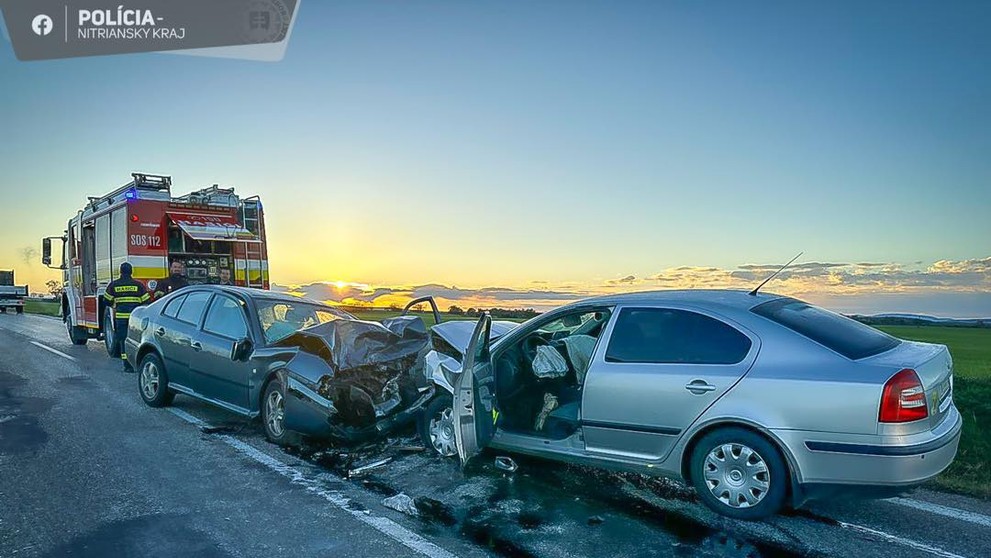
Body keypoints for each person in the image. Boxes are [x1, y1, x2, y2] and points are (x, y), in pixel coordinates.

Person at [104, 262, 150, 372]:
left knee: (123, 340)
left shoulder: (114, 285)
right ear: (131, 272)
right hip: (135, 319)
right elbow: (146, 301)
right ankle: (138, 362)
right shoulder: (138, 285)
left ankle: (127, 365)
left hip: (121, 318)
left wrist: (114, 304)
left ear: (120, 272)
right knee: (135, 340)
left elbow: (106, 300)